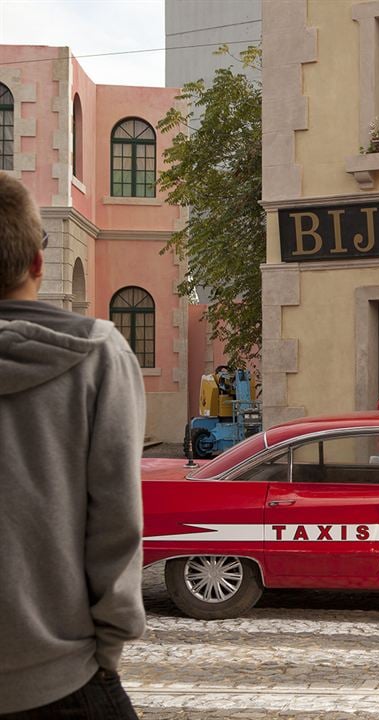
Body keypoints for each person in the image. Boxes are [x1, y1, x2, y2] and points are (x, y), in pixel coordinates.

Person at [0, 174, 146, 717]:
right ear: (39, 264)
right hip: (59, 676)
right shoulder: (98, 356)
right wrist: (108, 647)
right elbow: (116, 521)